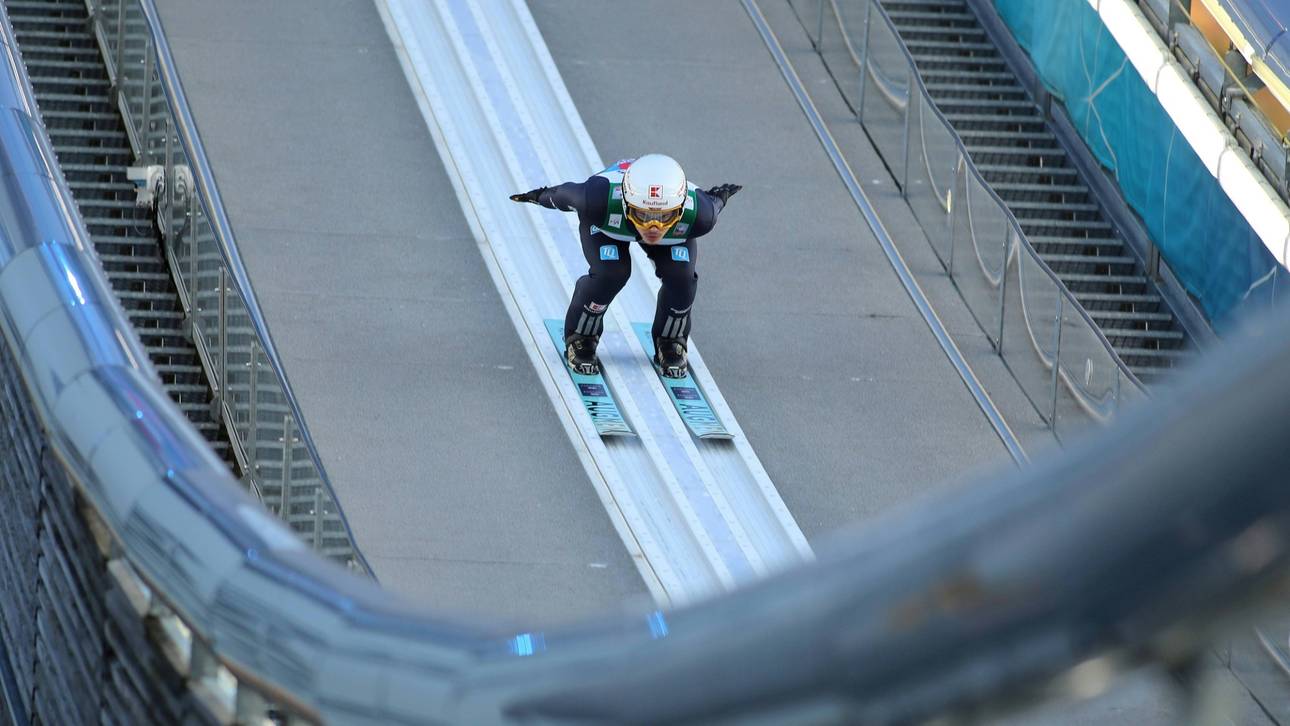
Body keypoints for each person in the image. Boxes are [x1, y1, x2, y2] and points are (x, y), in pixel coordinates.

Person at [510, 154, 740, 378]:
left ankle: (671, 339)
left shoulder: (702, 215)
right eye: (643, 214)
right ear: (626, 201)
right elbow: (561, 195)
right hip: (608, 225)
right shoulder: (597, 199)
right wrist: (537, 196)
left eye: (664, 216)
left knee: (682, 279)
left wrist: (537, 195)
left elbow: (713, 203)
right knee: (611, 274)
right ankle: (581, 335)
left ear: (681, 209)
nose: (653, 227)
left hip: (620, 221)